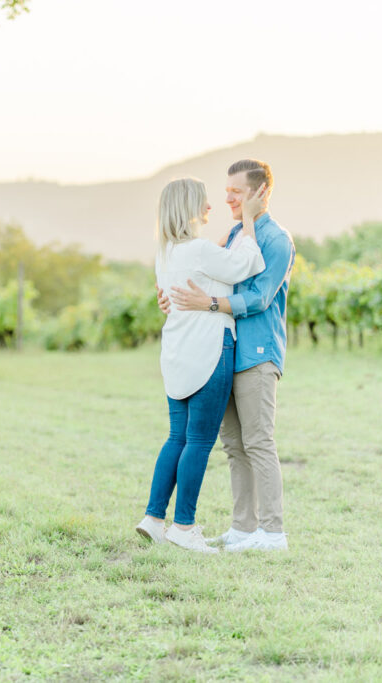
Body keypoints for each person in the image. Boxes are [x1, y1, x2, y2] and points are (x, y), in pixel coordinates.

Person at [160, 159, 295, 552]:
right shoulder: (236, 235)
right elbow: (203, 275)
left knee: (259, 442)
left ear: (261, 193)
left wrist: (210, 303)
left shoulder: (276, 239)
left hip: (257, 353)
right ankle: (243, 528)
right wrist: (175, 297)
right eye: (228, 190)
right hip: (226, 355)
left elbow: (260, 296)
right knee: (234, 446)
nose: (228, 198)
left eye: (237, 191)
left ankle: (273, 533)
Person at [136, 177, 266, 554]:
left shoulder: (167, 252)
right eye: (204, 203)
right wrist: (250, 222)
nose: (211, 208)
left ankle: (154, 518)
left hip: (176, 353)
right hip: (209, 350)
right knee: (198, 441)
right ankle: (185, 526)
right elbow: (247, 264)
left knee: (177, 437)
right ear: (189, 208)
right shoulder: (198, 250)